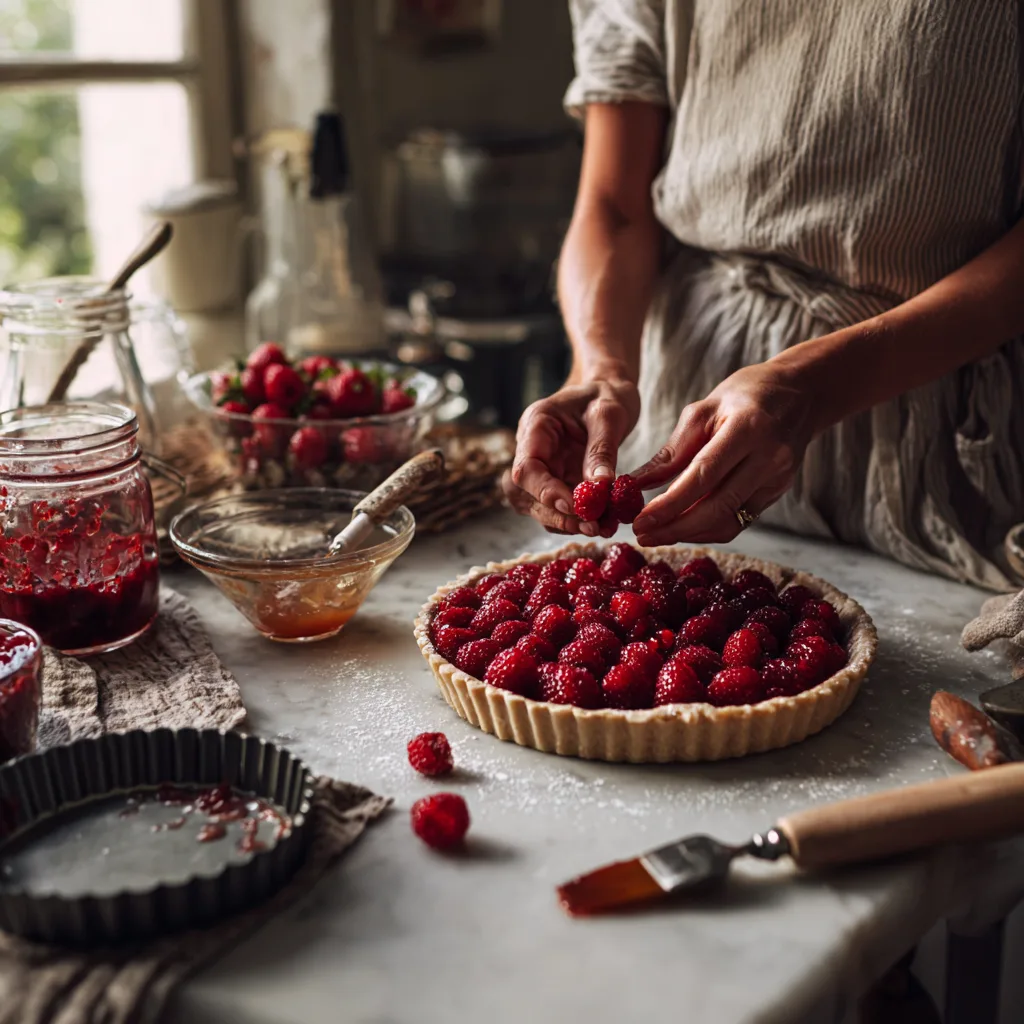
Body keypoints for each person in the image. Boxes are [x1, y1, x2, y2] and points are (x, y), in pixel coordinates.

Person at [504, 0, 1024, 591]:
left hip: (937, 430)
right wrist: (597, 367)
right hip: (684, 397)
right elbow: (616, 207)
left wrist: (817, 383)